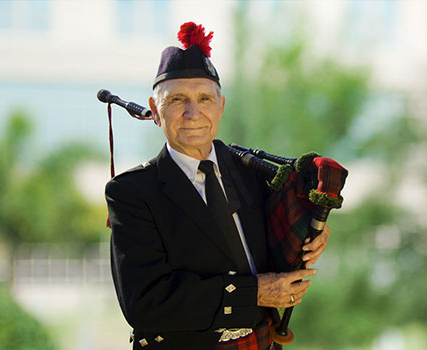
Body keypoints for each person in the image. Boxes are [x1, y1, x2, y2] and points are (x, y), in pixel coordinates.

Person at [105, 22, 330, 350]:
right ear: (155, 111)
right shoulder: (132, 193)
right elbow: (145, 302)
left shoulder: (252, 172)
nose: (192, 113)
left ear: (221, 107)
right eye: (177, 99)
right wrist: (255, 292)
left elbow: (281, 234)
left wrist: (315, 233)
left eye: (205, 99)